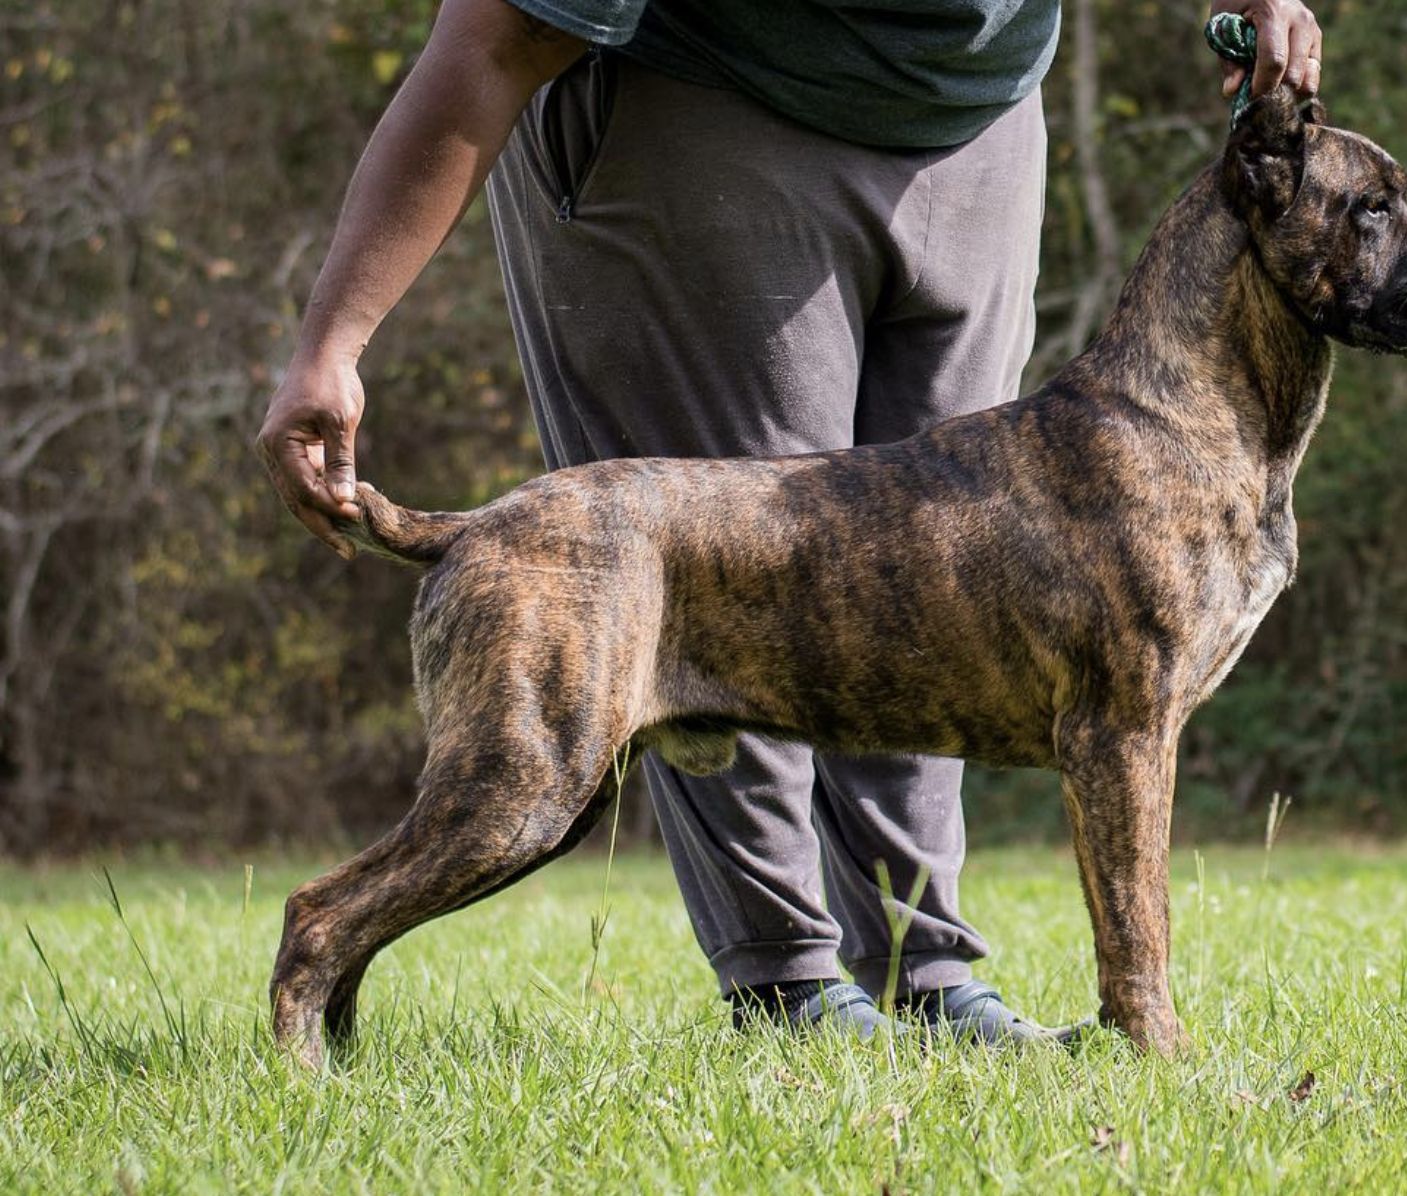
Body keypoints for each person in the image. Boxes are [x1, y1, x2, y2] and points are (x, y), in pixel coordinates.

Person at [256, 0, 1321, 1042]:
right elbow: (495, 33)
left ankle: (926, 980)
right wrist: (334, 340)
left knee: (938, 590)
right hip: (709, 99)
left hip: (970, 110)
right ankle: (789, 986)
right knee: (630, 686)